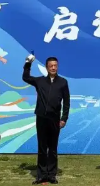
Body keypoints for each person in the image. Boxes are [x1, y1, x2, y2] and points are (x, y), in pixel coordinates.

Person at [22, 56, 71, 184]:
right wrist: (28, 63)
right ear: (47, 67)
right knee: (42, 147)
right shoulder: (40, 81)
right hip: (41, 118)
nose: (53, 68)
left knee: (53, 148)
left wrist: (64, 118)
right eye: (51, 66)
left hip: (55, 119)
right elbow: (25, 77)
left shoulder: (63, 82)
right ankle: (41, 175)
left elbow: (67, 102)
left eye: (55, 65)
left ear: (57, 66)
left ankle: (52, 175)